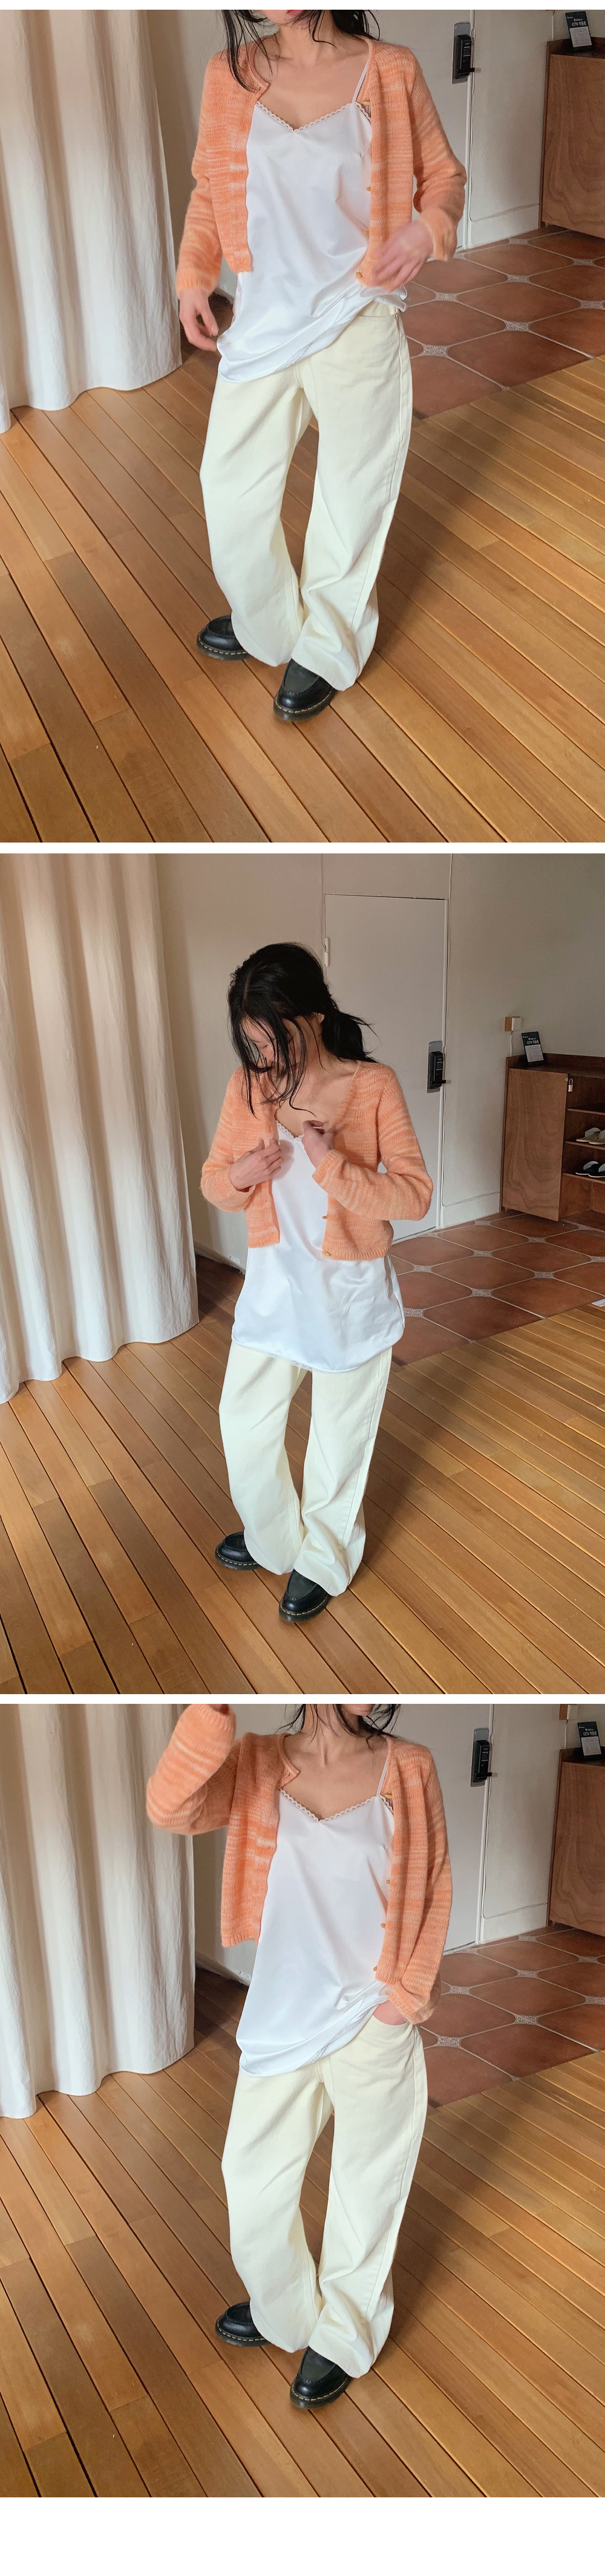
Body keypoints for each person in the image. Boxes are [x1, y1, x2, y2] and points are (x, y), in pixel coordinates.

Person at [146, 1697, 451, 2408]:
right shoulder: (258, 1760)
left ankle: (344, 2334)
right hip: (284, 2015)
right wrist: (210, 1709)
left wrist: (402, 2001)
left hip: (374, 2015)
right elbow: (170, 1807)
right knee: (250, 2179)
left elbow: (434, 1882)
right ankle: (284, 2309)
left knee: (366, 2188)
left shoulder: (410, 1767)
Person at [177, 10, 466, 722]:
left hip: (357, 314)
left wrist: (426, 230)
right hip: (265, 321)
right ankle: (268, 623)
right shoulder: (228, 74)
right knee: (228, 487)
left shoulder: (390, 69)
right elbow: (210, 191)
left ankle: (328, 644)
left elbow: (443, 178)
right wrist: (193, 278)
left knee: (353, 490)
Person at [201, 941, 433, 1625]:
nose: (264, 1058)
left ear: (313, 1017)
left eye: (273, 1040)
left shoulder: (374, 1085)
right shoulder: (249, 1087)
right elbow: (214, 1181)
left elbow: (415, 1194)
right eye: (252, 1044)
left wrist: (331, 1165)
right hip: (273, 1292)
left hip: (348, 1297)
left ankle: (324, 1558)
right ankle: (274, 1538)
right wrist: (242, 1175)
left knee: (339, 1440)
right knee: (242, 1422)